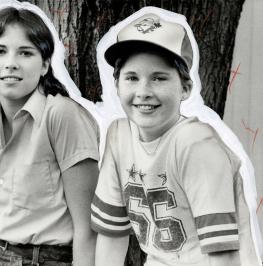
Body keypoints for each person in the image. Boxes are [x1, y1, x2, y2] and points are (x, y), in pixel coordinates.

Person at [91, 7, 263, 266]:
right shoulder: (119, 136)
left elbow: (223, 255)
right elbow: (112, 237)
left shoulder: (197, 145)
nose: (143, 91)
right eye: (132, 78)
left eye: (158, 78)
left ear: (185, 88)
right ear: (117, 85)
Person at [0, 1, 99, 265]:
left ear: (45, 65)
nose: (11, 63)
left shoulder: (62, 115)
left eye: (25, 53)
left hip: (47, 258)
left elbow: (88, 228)